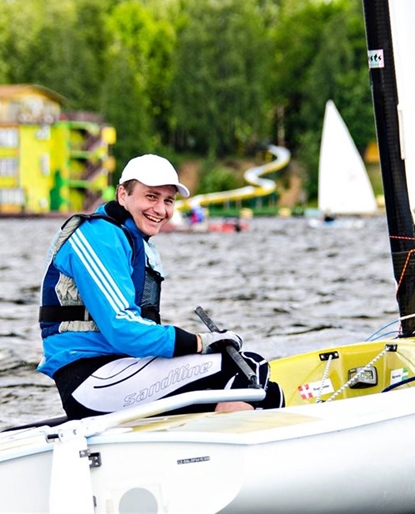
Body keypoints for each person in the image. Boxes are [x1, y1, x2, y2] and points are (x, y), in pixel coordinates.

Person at [37, 154, 284, 420]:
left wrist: (203, 347)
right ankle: (230, 440)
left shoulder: (134, 241)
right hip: (89, 381)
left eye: (168, 201)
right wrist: (200, 343)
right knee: (244, 369)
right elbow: (122, 328)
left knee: (267, 391)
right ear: (123, 195)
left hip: (124, 368)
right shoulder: (97, 236)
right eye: (151, 197)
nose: (161, 210)